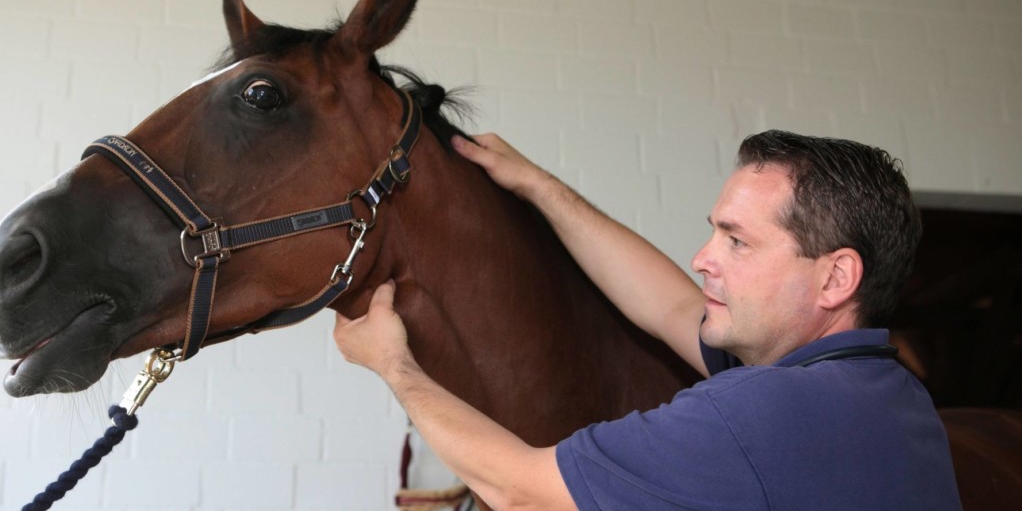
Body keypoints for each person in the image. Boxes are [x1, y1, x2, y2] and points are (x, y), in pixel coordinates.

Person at [334, 130, 961, 510]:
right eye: (712, 232)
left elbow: (521, 490)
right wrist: (539, 187)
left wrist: (395, 365)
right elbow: (669, 307)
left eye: (737, 242)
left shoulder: (758, 416)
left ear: (835, 278)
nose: (703, 258)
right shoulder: (891, 395)